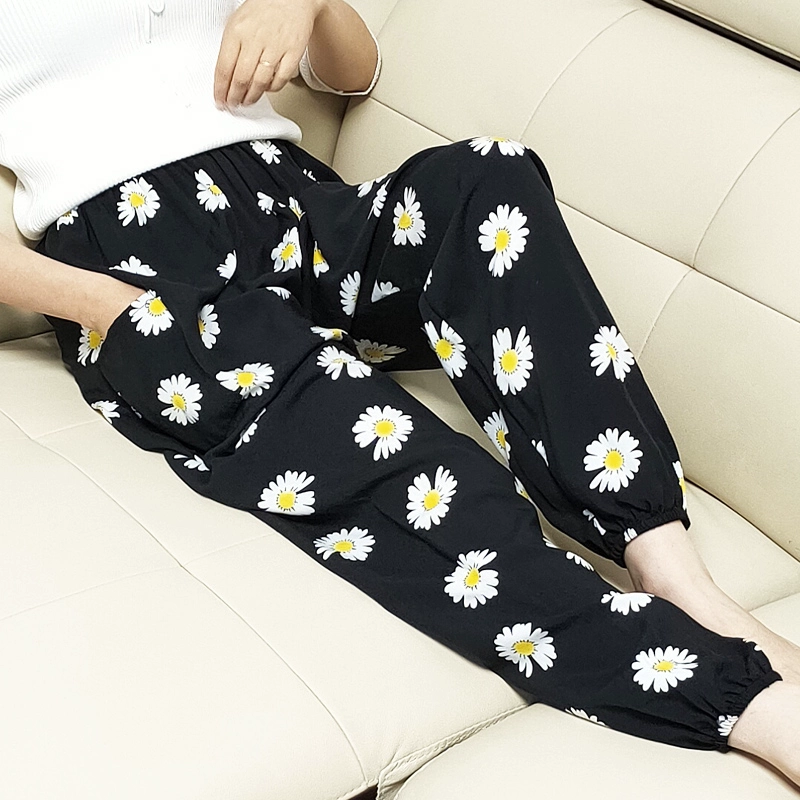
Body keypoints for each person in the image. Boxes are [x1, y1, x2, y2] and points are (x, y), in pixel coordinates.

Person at [1, 0, 799, 787]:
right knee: (396, 452)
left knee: (488, 175)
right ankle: (746, 704)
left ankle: (668, 566)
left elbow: (355, 73)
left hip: (297, 211)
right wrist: (120, 309)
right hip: (143, 270)